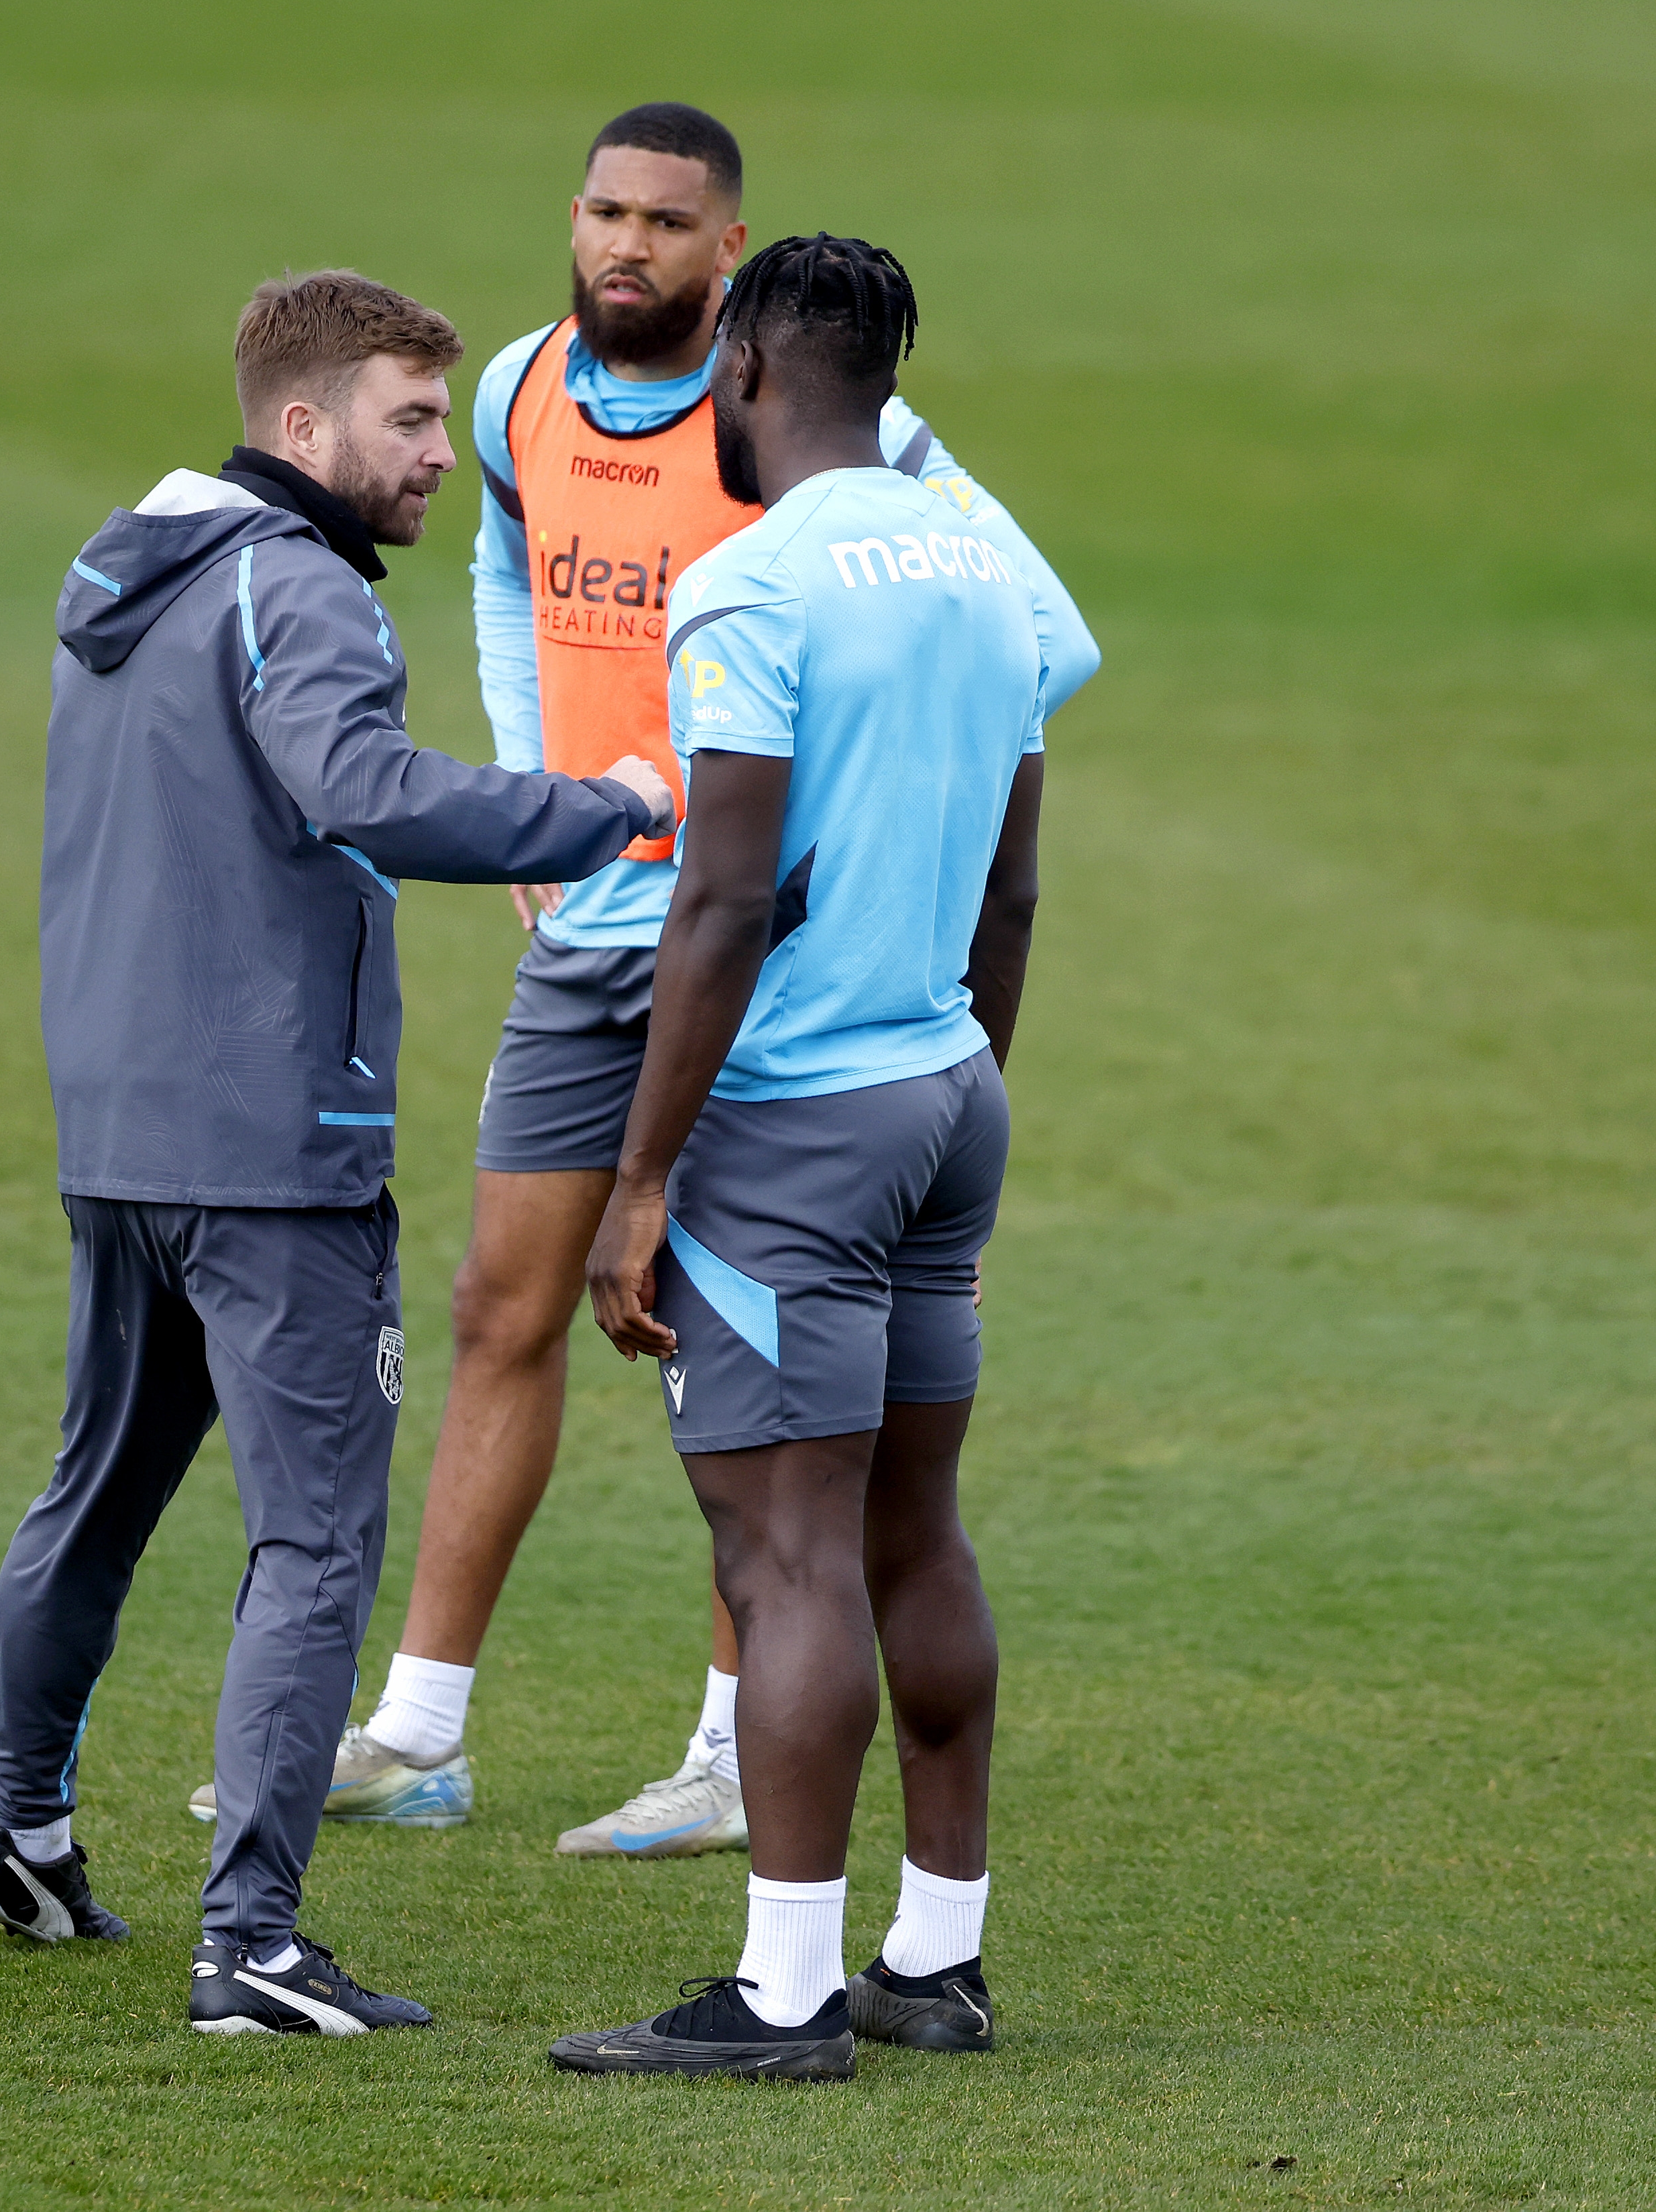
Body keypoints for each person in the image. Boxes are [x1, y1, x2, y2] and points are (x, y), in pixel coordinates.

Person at [293, 103, 1099, 1861]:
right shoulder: (514, 395)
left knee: (736, 1360)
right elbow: (511, 576)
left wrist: (877, 827)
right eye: (601, 211)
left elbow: (1037, 629)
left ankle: (739, 1755)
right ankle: (419, 1729)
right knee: (505, 1302)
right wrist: (537, 804)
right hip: (595, 924)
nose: (623, 247)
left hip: (749, 950)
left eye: (666, 222)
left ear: (731, 264)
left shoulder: (832, 439)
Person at [0, 270, 675, 2042]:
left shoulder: (130, 575)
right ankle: (252, 1946)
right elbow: (364, 788)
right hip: (274, 1143)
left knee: (95, 1490)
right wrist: (613, 808)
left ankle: (17, 1836)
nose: (442, 454)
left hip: (120, 1128)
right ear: (302, 427)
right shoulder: (299, 587)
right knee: (320, 1543)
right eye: (410, 420)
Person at [546, 235, 1052, 2080]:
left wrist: (643, 1175)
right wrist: (956, 1102)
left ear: (748, 366)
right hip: (944, 1096)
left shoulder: (749, 586)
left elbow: (725, 897)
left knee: (785, 1556)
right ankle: (937, 1957)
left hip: (795, 1130)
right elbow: (1011, 888)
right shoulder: (996, 580)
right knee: (911, 1526)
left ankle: (780, 2001)